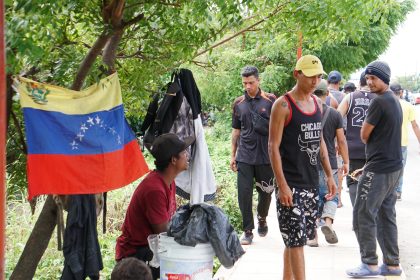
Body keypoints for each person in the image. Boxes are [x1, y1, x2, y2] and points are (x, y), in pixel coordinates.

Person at [268, 54, 337, 280]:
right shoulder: (283, 105)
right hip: (291, 184)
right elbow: (273, 147)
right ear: (297, 74)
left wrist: (328, 175)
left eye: (318, 77)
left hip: (310, 182)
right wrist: (282, 185)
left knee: (294, 240)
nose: (315, 81)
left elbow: (320, 143)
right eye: (310, 76)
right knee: (296, 242)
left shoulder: (318, 104)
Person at [346, 61, 403, 277]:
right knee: (386, 214)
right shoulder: (394, 100)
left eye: (374, 78)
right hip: (393, 167)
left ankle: (369, 263)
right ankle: (392, 264)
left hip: (379, 168)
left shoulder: (379, 102)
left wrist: (370, 167)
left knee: (362, 213)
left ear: (384, 79)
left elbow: (364, 135)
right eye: (367, 78)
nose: (369, 82)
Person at [115, 133, 194, 279]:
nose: (187, 155)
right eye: (183, 152)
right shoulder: (154, 189)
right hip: (135, 255)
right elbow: (164, 233)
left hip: (153, 248)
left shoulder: (169, 182)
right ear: (173, 160)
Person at [231, 66, 276, 245]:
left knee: (266, 192)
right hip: (245, 156)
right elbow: (235, 132)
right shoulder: (238, 103)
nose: (248, 86)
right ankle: (247, 230)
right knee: (244, 193)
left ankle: (262, 217)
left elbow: (279, 129)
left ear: (258, 80)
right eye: (244, 83)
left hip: (266, 156)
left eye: (251, 82)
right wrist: (232, 155)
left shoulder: (271, 100)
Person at [307, 80, 349, 247]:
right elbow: (341, 140)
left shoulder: (305, 113)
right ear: (326, 94)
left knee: (311, 198)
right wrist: (346, 162)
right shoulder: (334, 114)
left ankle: (312, 237)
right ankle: (328, 222)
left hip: (308, 163)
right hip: (330, 162)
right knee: (332, 194)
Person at [337, 71, 376, 206]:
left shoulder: (350, 97)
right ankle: (367, 215)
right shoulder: (379, 98)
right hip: (373, 149)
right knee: (370, 183)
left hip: (352, 147)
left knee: (353, 181)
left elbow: (336, 118)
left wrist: (338, 139)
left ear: (360, 83)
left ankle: (357, 212)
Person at [390, 82, 420, 200]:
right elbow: (415, 126)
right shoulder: (408, 106)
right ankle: (398, 192)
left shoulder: (387, 104)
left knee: (388, 167)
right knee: (400, 168)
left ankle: (389, 190)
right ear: (401, 92)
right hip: (402, 142)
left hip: (388, 142)